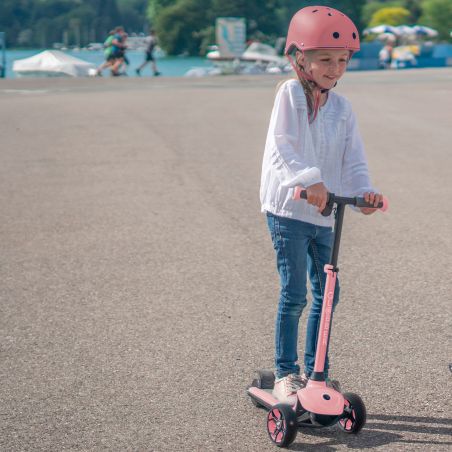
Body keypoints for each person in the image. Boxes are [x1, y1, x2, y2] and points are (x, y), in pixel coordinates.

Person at [259, 6, 383, 405]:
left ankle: (317, 374)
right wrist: (308, 179)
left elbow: (354, 161)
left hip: (325, 215)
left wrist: (364, 193)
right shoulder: (290, 93)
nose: (335, 68)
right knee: (295, 293)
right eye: (326, 59)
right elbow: (283, 146)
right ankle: (285, 372)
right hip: (289, 212)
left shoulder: (342, 108)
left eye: (342, 60)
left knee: (328, 292)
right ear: (301, 58)